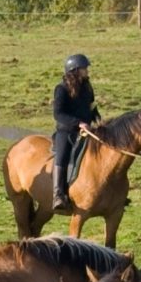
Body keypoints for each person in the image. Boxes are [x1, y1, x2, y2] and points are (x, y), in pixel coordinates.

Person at [45, 54, 99, 211]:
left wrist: (95, 116)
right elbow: (58, 114)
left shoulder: (87, 87)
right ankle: (58, 195)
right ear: (75, 70)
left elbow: (90, 106)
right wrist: (78, 123)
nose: (87, 70)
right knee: (62, 156)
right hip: (66, 132)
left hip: (87, 131)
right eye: (84, 68)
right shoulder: (61, 89)